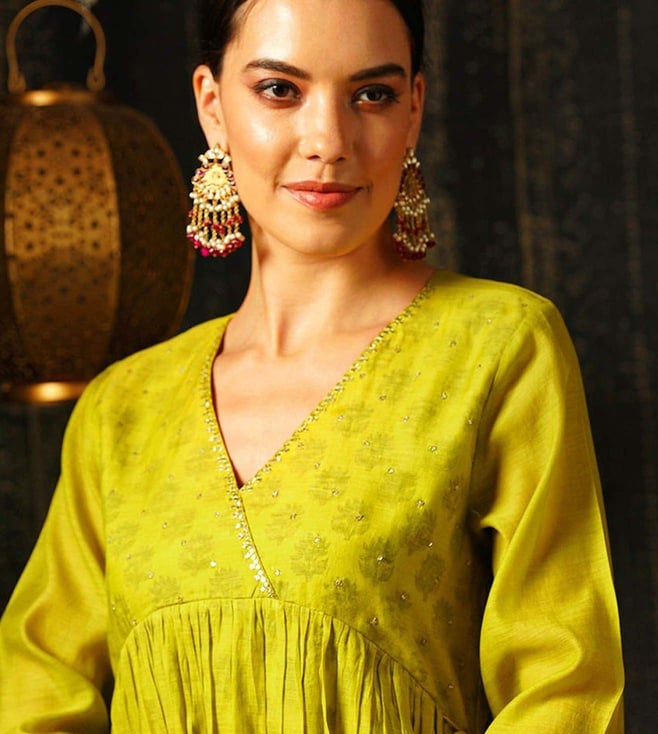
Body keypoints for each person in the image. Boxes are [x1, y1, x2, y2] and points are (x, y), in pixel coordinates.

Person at [0, 0, 625, 731]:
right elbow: (33, 694)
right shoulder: (122, 409)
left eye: (373, 94)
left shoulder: (500, 348)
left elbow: (565, 688)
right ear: (212, 106)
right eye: (280, 90)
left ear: (414, 110)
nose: (328, 140)